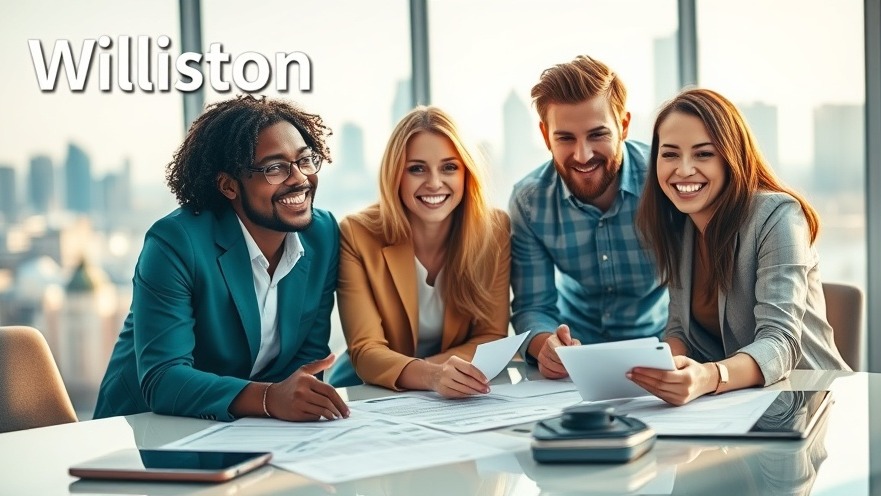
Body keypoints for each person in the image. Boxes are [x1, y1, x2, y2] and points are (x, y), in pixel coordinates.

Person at [94, 95, 349, 422]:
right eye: (275, 168)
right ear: (229, 186)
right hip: (143, 432)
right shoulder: (175, 243)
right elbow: (164, 379)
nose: (299, 178)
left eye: (304, 160)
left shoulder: (322, 234)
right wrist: (270, 398)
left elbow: (309, 360)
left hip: (254, 430)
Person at [630, 88, 849, 406]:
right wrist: (663, 372)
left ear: (730, 156)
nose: (684, 169)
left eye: (703, 154)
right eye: (670, 154)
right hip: (732, 406)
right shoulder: (680, 224)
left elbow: (780, 342)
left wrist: (707, 377)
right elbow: (678, 328)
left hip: (805, 401)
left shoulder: (778, 216)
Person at [328, 106, 510, 397]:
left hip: (454, 389)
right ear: (395, 176)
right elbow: (366, 349)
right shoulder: (357, 233)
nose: (435, 183)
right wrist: (431, 376)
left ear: (466, 173)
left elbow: (491, 336)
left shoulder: (495, 229)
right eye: (417, 169)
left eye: (449, 167)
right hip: (370, 388)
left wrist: (438, 374)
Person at [509, 55, 668, 379]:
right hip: (575, 365)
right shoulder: (530, 201)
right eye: (565, 138)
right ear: (545, 135)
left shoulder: (665, 180)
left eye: (597, 135)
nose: (582, 155)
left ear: (623, 125)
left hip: (664, 351)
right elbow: (532, 307)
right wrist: (545, 345)